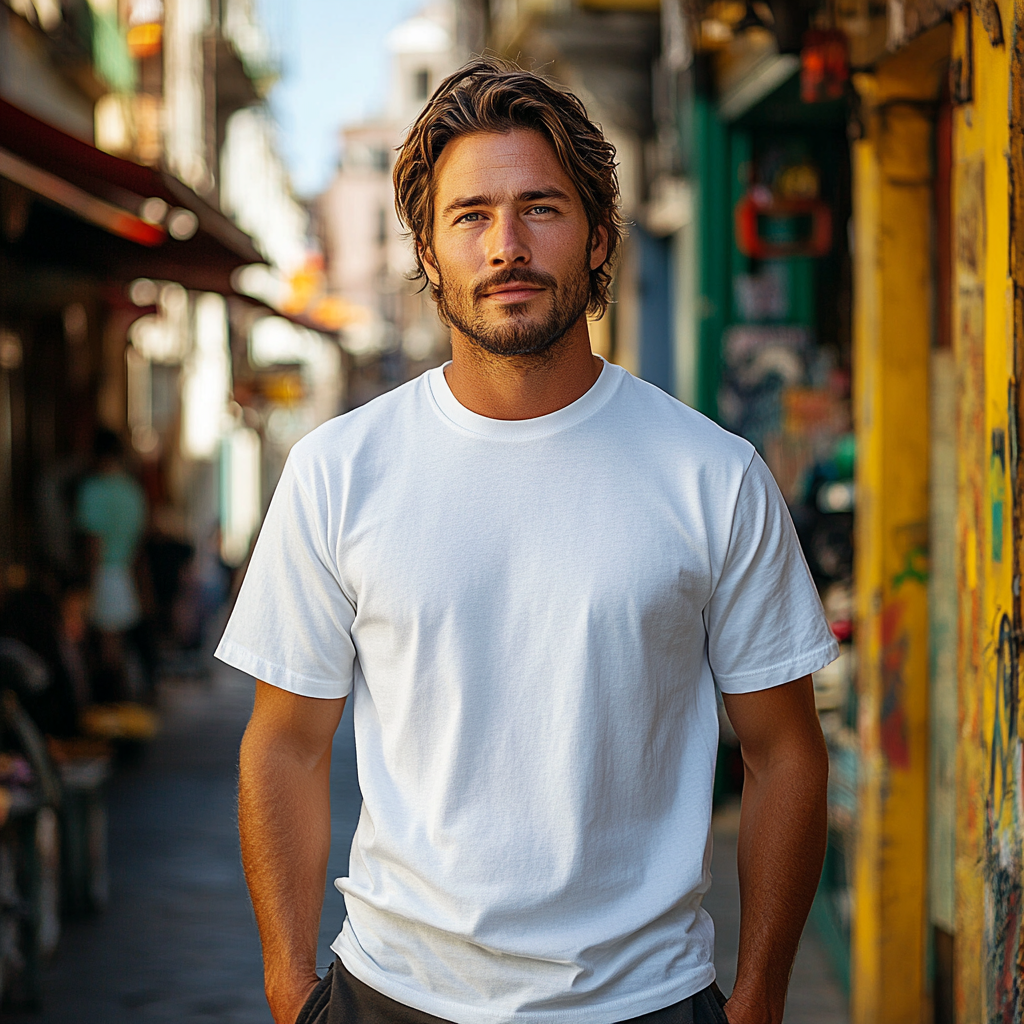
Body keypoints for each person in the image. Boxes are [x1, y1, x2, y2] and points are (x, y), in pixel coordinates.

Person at [218, 58, 837, 1024]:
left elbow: (785, 753)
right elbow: (286, 745)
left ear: (598, 239)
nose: (506, 244)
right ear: (427, 252)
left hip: (645, 1001)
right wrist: (289, 989)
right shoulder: (338, 471)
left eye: (541, 207)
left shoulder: (712, 475)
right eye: (470, 215)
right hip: (392, 995)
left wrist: (756, 1002)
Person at [76, 428, 147, 701]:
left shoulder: (93, 490)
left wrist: (88, 587)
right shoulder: (132, 492)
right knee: (117, 646)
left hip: (103, 576)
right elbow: (139, 546)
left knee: (105, 650)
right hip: (125, 575)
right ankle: (120, 706)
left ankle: (109, 707)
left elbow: (93, 544)